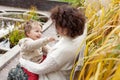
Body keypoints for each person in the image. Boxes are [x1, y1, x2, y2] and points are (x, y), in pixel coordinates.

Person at [19, 5, 86, 80]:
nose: (55, 27)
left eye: (56, 24)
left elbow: (40, 69)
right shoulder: (74, 39)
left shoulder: (63, 50)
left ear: (64, 28)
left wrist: (22, 61)